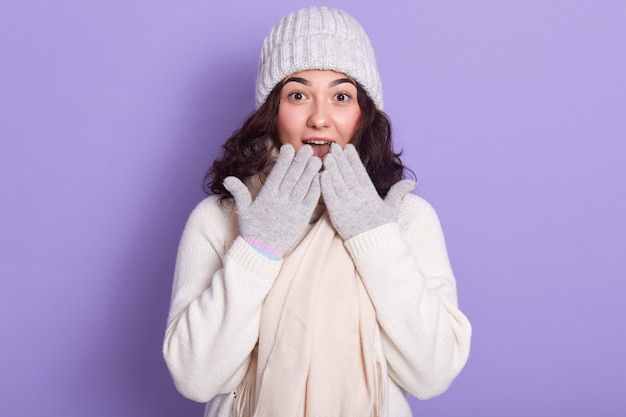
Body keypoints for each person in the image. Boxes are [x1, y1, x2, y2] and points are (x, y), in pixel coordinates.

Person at [163, 6, 471, 417]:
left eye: (341, 96)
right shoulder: (219, 219)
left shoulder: (406, 219)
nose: (320, 117)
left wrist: (373, 237)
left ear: (365, 113)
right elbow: (195, 377)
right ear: (272, 111)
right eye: (298, 95)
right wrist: (258, 248)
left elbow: (432, 374)